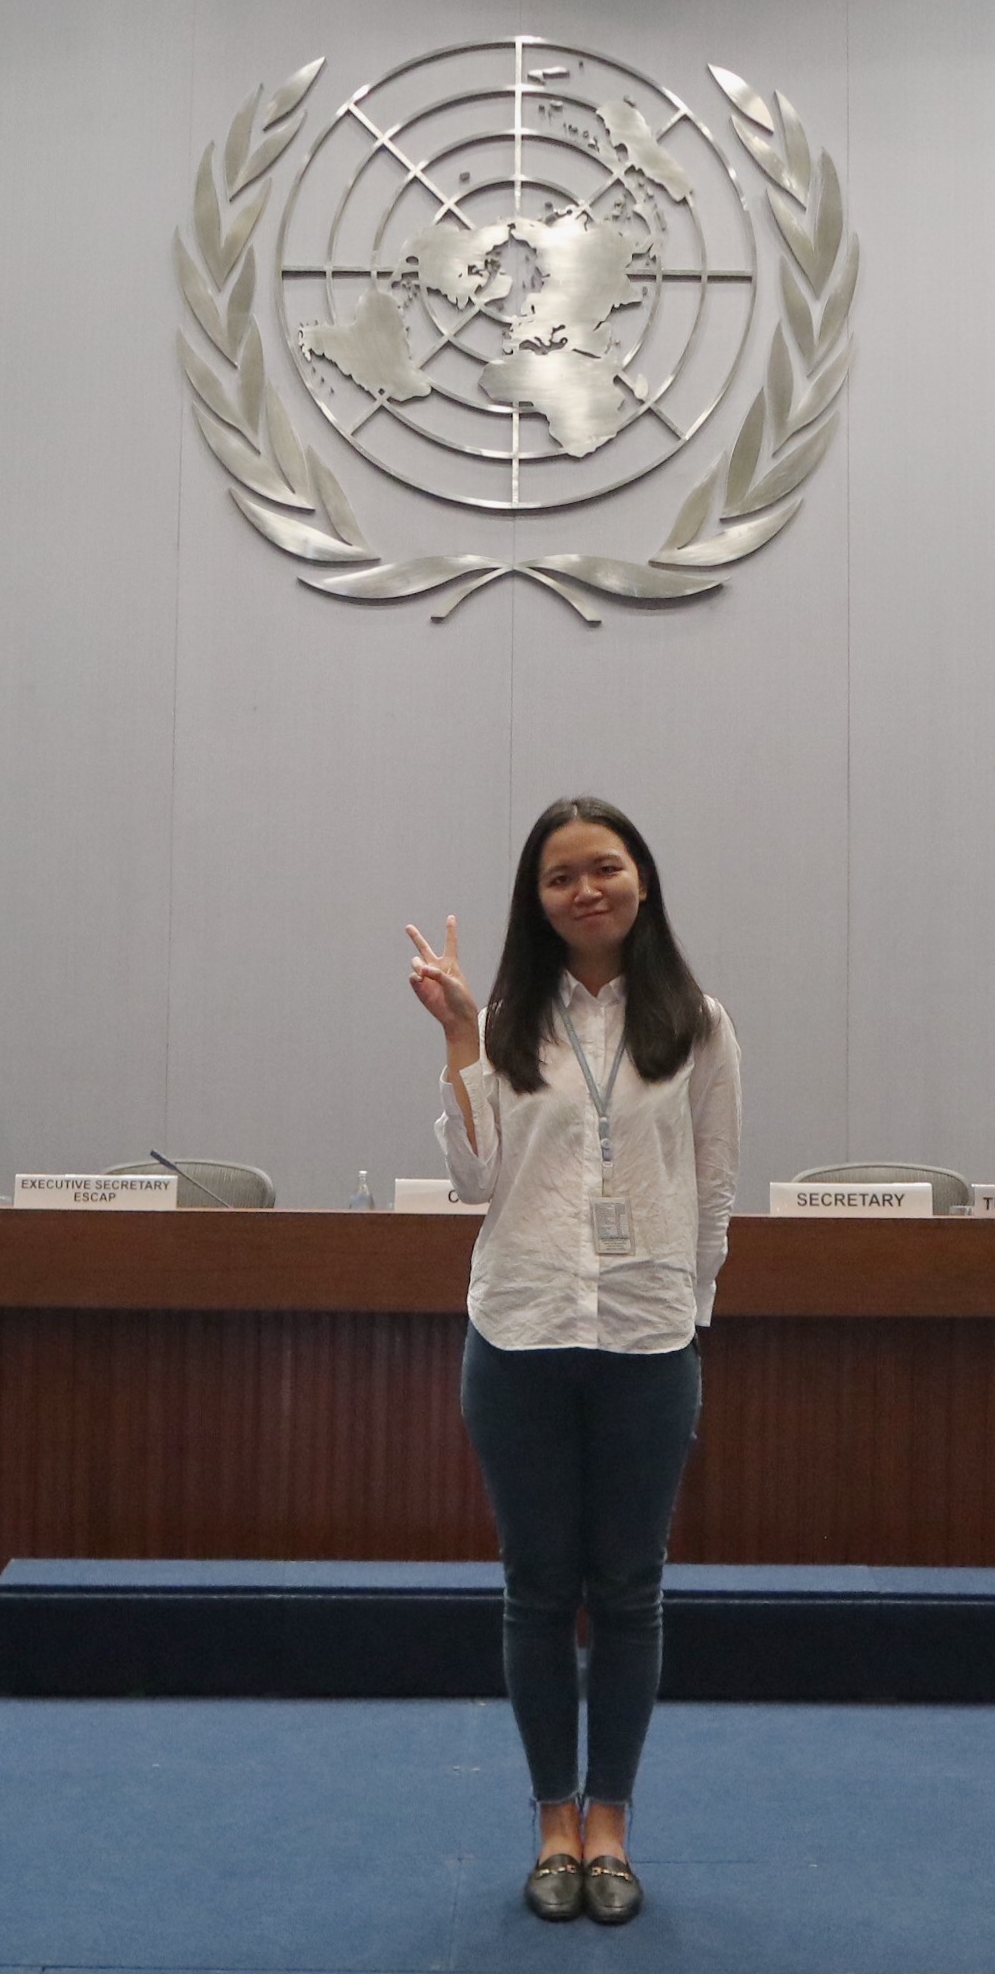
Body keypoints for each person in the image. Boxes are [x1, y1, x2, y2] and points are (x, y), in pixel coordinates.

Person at [402, 796, 739, 1928]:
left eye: (605, 866)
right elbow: (473, 1183)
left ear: (642, 878)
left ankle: (613, 1826)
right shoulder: (505, 1021)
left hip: (648, 1339)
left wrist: (690, 1312)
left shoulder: (698, 1023)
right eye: (560, 876)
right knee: (539, 1588)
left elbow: (716, 1180)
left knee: (631, 1591)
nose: (585, 889)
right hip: (521, 1333)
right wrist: (460, 1036)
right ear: (536, 900)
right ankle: (554, 1822)